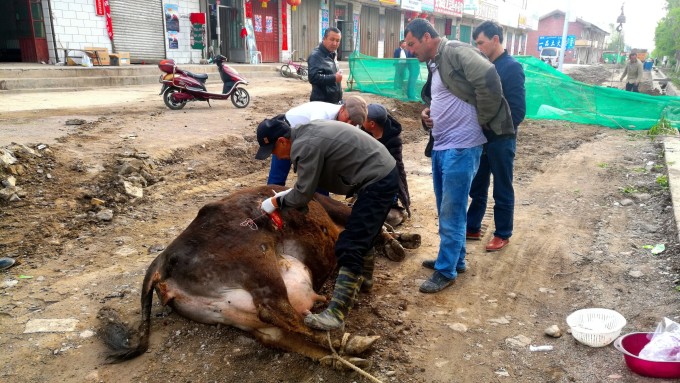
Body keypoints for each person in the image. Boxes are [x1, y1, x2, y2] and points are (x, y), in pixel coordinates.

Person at [254, 119, 399, 330]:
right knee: (363, 230)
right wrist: (291, 195)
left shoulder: (305, 146)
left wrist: (275, 202)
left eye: (273, 150)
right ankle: (364, 279)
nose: (274, 156)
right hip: (378, 173)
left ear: (283, 141)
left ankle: (336, 314)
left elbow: (303, 194)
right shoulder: (305, 135)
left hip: (377, 179)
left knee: (350, 244)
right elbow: (306, 186)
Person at [404, 18, 513, 293]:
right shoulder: (435, 62)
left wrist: (484, 119)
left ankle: (446, 270)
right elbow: (441, 96)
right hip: (443, 144)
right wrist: (428, 113)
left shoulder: (454, 50)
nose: (410, 50)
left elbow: (488, 77)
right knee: (447, 208)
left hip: (462, 146)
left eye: (413, 44)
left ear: (427, 37)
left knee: (451, 210)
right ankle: (456, 259)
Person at [466, 20, 526, 252]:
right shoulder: (483, 66)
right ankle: (472, 226)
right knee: (477, 184)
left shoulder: (511, 68)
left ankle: (502, 233)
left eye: (481, 42)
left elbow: (518, 110)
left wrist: (496, 129)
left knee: (502, 186)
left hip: (502, 139)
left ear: (495, 39)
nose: (478, 47)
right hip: (482, 138)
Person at [266, 96, 368, 188]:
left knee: (320, 175)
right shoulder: (321, 116)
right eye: (348, 118)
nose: (349, 124)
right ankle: (270, 200)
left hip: (305, 137)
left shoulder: (353, 123)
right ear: (342, 109)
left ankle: (322, 203)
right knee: (278, 178)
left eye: (354, 123)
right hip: (287, 133)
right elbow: (313, 146)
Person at [362, 103, 411, 218]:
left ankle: (393, 206)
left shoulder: (393, 139)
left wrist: (404, 196)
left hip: (385, 178)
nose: (360, 122)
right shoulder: (364, 133)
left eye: (363, 119)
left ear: (372, 124)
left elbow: (398, 167)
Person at [307, 27, 343, 104]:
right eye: (332, 39)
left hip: (334, 101)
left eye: (337, 41)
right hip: (322, 104)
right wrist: (334, 77)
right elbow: (313, 77)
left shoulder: (332, 53)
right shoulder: (316, 56)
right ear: (324, 39)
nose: (334, 43)